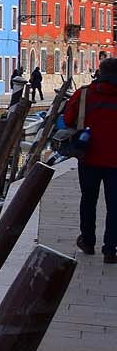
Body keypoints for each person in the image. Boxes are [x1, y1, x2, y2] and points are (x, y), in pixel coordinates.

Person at [65, 57, 117, 261]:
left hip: (88, 157)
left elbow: (68, 119)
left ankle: (87, 241)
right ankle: (110, 249)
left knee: (88, 200)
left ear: (100, 73)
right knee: (115, 205)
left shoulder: (84, 94)